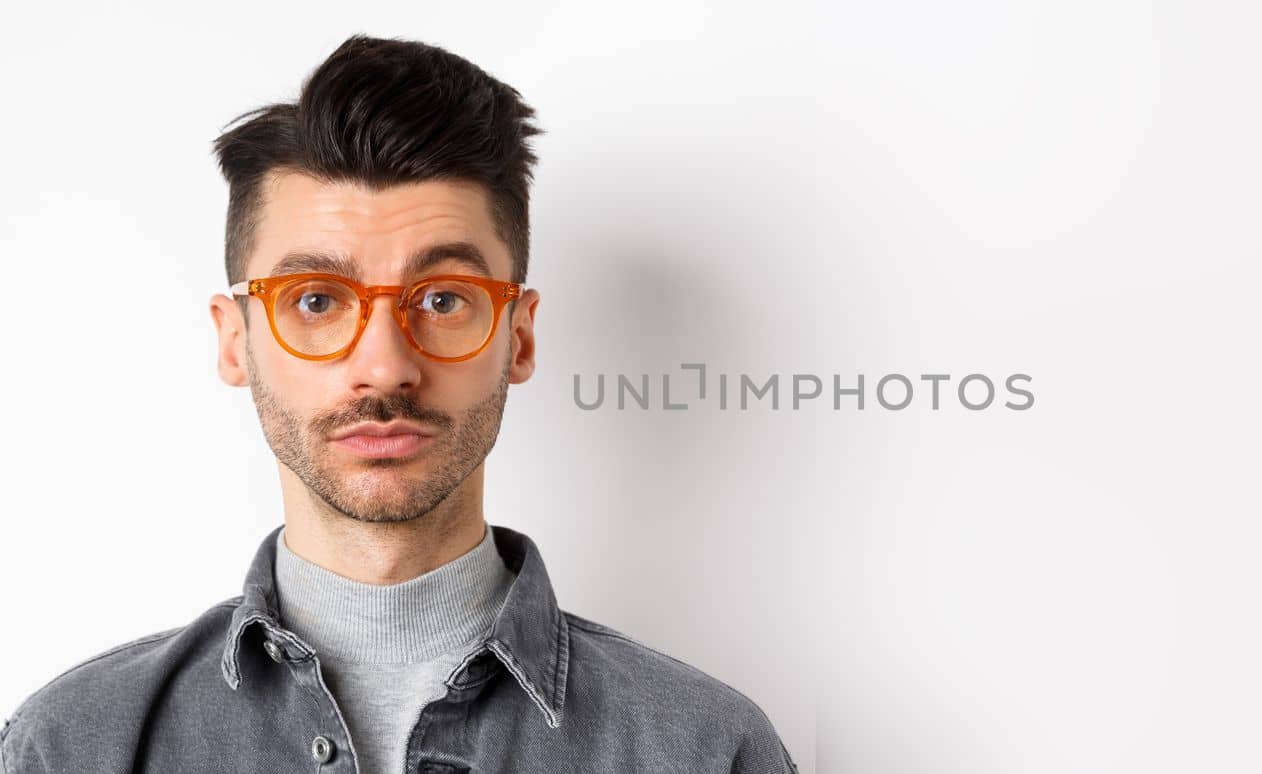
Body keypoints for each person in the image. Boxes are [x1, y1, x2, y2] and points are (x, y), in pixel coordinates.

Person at [0, 34, 796, 774]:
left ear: (517, 338)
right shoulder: (72, 746)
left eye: (445, 299)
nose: (384, 367)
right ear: (235, 341)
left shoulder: (705, 750)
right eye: (316, 300)